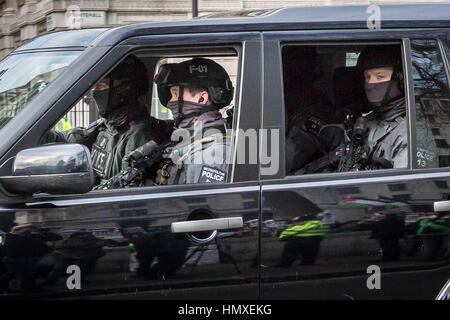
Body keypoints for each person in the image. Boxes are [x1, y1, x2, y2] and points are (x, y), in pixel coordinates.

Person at [47, 54, 171, 185]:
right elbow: (74, 138)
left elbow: (128, 190)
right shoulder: (108, 125)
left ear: (125, 90)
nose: (95, 93)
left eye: (101, 87)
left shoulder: (138, 134)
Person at [149, 57, 234, 185]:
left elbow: (200, 204)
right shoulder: (189, 139)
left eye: (176, 94)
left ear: (202, 98)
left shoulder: (214, 153)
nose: (170, 102)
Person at [341, 45, 408, 170]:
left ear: (400, 79)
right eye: (367, 77)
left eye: (380, 76)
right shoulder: (368, 120)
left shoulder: (409, 132)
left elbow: (407, 187)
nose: (371, 83)